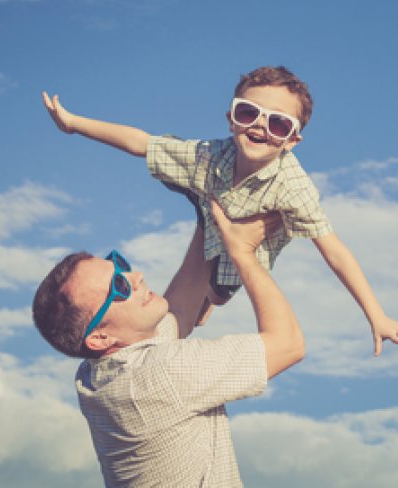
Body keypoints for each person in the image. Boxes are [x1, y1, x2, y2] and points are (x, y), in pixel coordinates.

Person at [42, 66, 398, 356]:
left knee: (218, 295)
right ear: (231, 118)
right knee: (174, 159)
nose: (259, 126)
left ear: (292, 141)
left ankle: (208, 297)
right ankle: (200, 202)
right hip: (210, 189)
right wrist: (74, 124)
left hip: (240, 248)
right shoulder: (211, 154)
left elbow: (334, 251)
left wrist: (376, 314)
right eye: (248, 113)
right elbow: (140, 142)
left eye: (277, 122)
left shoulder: (294, 187)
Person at [33, 201, 303, 487]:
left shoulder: (96, 373)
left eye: (120, 267)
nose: (137, 277)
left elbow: (180, 312)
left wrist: (208, 214)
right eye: (119, 287)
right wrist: (242, 253)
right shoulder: (163, 374)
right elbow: (288, 345)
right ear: (100, 337)